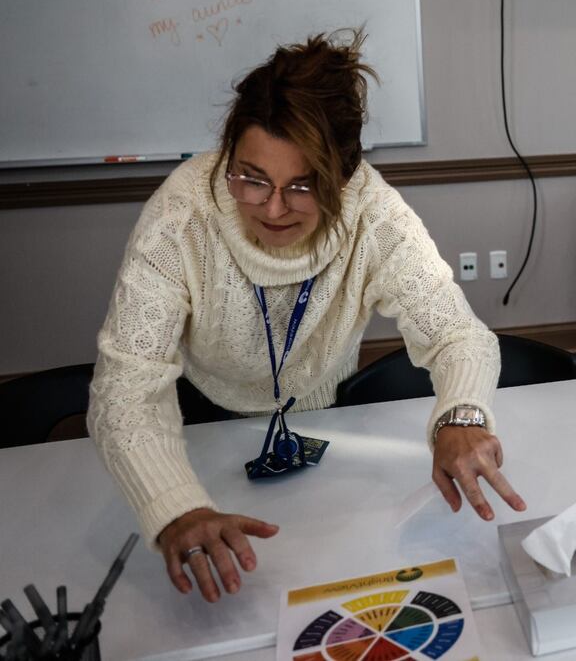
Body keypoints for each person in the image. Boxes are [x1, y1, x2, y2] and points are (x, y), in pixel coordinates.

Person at [88, 30, 525, 603]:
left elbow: (456, 334)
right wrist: (176, 508)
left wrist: (461, 418)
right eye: (251, 178)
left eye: (302, 185)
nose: (272, 207)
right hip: (200, 426)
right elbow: (127, 389)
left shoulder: (374, 213)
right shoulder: (181, 215)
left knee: (331, 574)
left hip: (325, 421)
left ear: (344, 176)